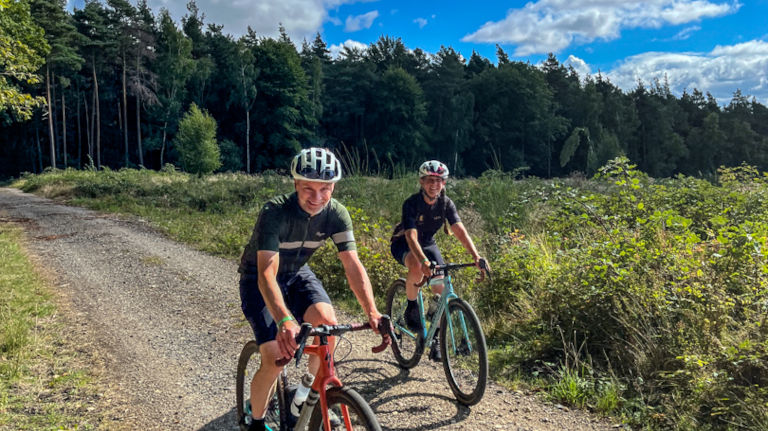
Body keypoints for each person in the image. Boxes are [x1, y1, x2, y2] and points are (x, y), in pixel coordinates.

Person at [239, 147, 382, 431]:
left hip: (297, 272)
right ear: (295, 185)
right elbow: (267, 273)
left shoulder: (337, 213)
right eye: (308, 189)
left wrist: (372, 311)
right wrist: (285, 320)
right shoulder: (275, 212)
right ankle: (254, 421)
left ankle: (303, 396)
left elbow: (352, 265)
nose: (317, 198)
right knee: (275, 358)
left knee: (328, 327)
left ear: (334, 187)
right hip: (259, 278)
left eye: (325, 189)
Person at [390, 160, 488, 361]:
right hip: (404, 243)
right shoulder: (412, 203)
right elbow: (411, 237)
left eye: (438, 181)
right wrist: (424, 261)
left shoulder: (446, 204)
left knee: (441, 290)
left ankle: (435, 339)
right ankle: (411, 307)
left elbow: (460, 231)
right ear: (421, 182)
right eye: (429, 180)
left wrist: (476, 256)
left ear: (444, 183)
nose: (434, 185)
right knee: (418, 265)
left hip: (428, 243)